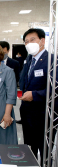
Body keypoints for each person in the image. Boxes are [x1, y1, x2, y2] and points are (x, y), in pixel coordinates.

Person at [19, 28, 58, 166]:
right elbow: (24, 81)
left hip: (44, 114)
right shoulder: (28, 60)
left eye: (32, 40)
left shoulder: (52, 60)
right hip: (27, 112)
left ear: (42, 40)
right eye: (26, 42)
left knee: (44, 149)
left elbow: (56, 88)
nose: (29, 43)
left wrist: (34, 95)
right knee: (29, 148)